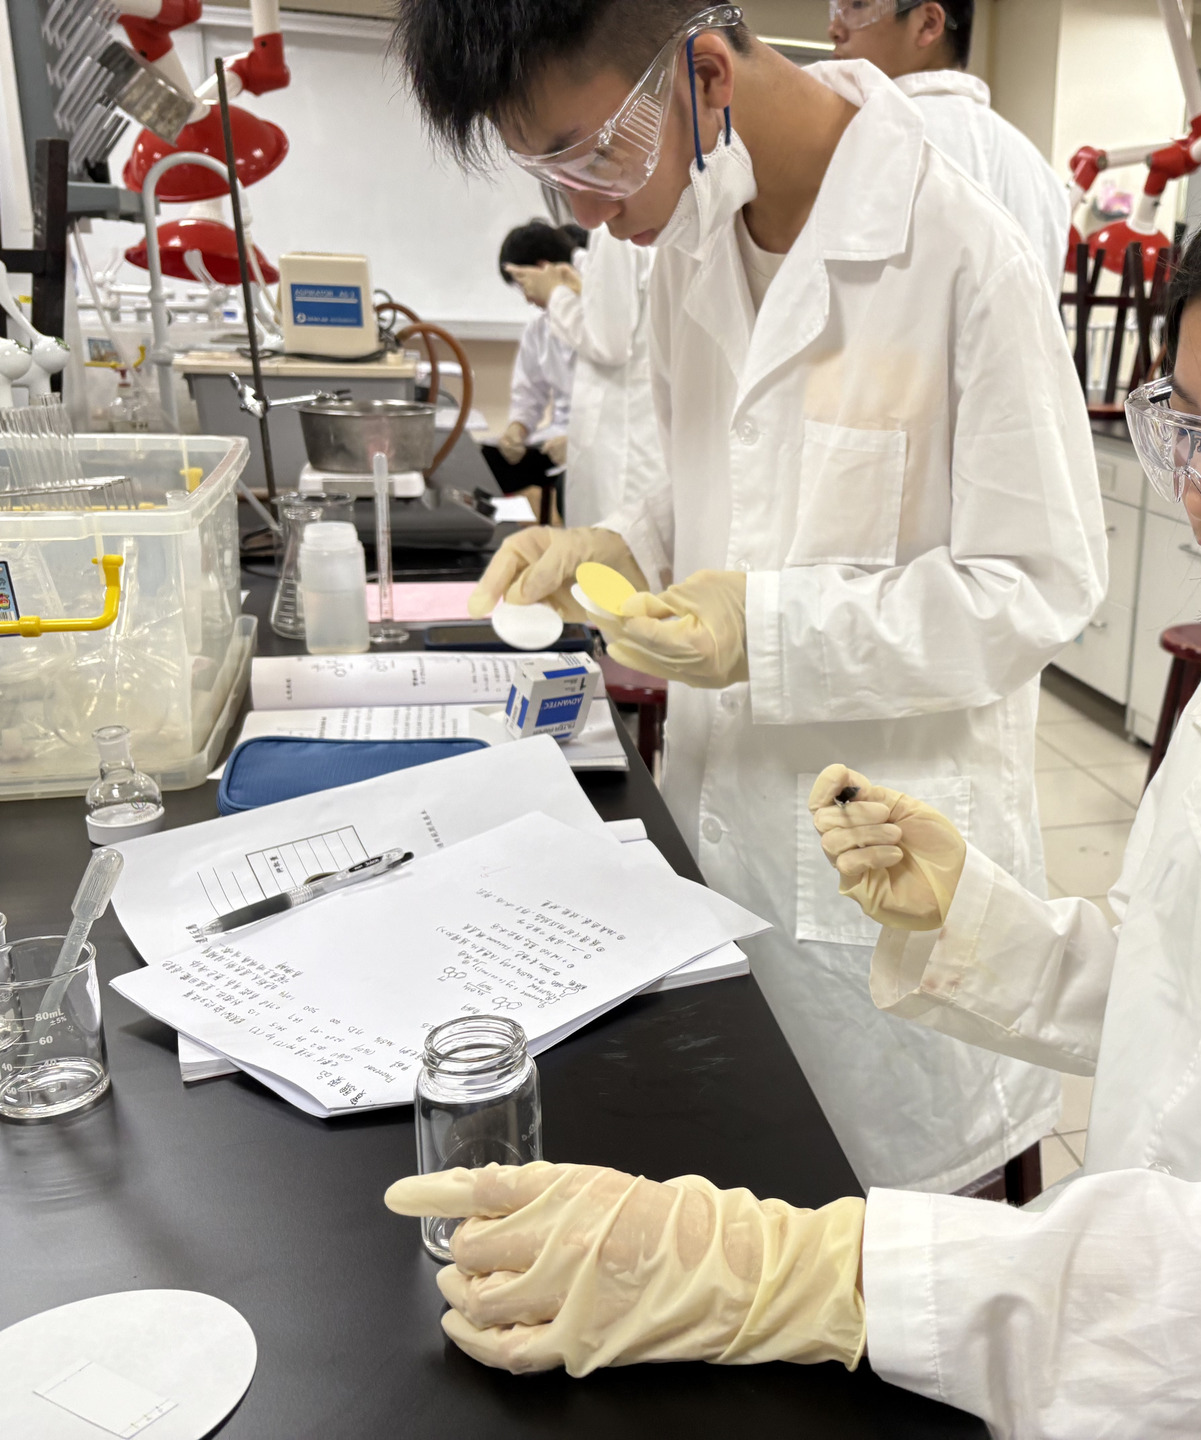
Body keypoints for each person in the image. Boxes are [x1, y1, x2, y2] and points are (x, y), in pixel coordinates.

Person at [387, 142, 1201, 1439]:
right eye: (1189, 428)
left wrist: (822, 1275)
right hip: (1157, 1358)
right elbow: (1197, 1003)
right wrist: (979, 924)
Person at [393, 1, 1106, 1195]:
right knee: (727, 1188)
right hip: (717, 846)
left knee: (883, 1254)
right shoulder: (689, 246)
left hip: (879, 883)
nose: (581, 209)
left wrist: (769, 632)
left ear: (707, 72)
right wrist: (612, 548)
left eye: (586, 153)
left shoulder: (959, 254)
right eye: (546, 173)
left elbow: (1037, 587)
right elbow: (696, 492)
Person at [827, 0, 1070, 270]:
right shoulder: (1042, 176)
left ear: (928, 24)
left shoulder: (863, 141)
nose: (835, 29)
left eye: (858, 5)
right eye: (836, 9)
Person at [514, 228, 668, 531]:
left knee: (610, 544)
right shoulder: (623, 238)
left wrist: (556, 295)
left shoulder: (613, 234)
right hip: (624, 443)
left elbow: (608, 343)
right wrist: (580, 289)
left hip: (622, 452)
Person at [491, 221, 579, 519]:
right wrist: (517, 427)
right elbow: (528, 393)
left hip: (599, 443)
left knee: (572, 484)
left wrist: (581, 443)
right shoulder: (538, 330)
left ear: (543, 269)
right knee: (488, 464)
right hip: (556, 441)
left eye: (522, 284)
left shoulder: (595, 321)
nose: (527, 297)